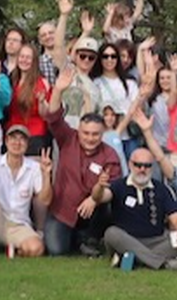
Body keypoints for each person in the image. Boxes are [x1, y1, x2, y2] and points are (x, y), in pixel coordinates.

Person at [42, 68, 122, 256]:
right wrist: (58, 90)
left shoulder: (110, 155)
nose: (90, 138)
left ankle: (90, 238)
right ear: (78, 130)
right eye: (86, 133)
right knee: (56, 250)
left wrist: (94, 198)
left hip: (92, 211)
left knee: (108, 207)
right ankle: (76, 239)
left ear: (102, 134)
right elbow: (53, 118)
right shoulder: (67, 138)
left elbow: (113, 190)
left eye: (95, 134)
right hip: (63, 209)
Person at [103, 147, 177, 271]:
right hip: (126, 239)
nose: (142, 169)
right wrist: (99, 188)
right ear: (130, 164)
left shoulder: (161, 189)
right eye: (138, 165)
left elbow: (176, 217)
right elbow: (101, 197)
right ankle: (163, 264)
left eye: (147, 166)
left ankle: (131, 259)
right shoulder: (118, 185)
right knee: (111, 233)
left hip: (157, 240)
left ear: (152, 167)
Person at [0, 125, 53, 257]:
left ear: (27, 144)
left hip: (19, 224)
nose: (17, 143)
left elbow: (45, 200)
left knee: (37, 248)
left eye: (22, 139)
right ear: (6, 141)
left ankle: (13, 249)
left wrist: (46, 175)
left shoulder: (34, 167)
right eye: (13, 138)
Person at [6, 43, 52, 155]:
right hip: (13, 133)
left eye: (28, 57)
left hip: (34, 135)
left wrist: (42, 101)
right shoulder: (12, 80)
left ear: (34, 61)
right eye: (22, 56)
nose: (24, 60)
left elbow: (45, 114)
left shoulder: (41, 82)